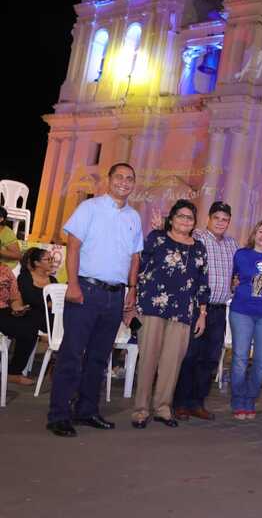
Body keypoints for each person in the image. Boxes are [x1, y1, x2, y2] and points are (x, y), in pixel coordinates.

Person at [47, 163, 143, 438]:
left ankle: (87, 410)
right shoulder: (89, 208)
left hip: (116, 295)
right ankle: (59, 415)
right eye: (119, 177)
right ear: (109, 180)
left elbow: (135, 257)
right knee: (72, 354)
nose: (124, 182)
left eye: (129, 178)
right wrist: (73, 284)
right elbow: (73, 246)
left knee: (100, 357)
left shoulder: (134, 217)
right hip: (86, 290)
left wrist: (132, 290)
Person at [131, 200, 209, 429]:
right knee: (148, 359)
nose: (185, 220)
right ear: (172, 219)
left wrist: (202, 313)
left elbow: (202, 282)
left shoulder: (199, 247)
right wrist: (133, 299)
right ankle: (141, 410)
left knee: (171, 363)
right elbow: (140, 267)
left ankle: (163, 408)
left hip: (183, 312)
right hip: (152, 307)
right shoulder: (157, 238)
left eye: (189, 218)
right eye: (181, 216)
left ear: (194, 223)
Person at [173, 201, 238, 421]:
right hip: (196, 308)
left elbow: (237, 273)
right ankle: (180, 403)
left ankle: (197, 403)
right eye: (216, 218)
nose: (220, 222)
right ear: (208, 218)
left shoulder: (232, 244)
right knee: (189, 355)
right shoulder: (197, 237)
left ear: (229, 222)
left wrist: (236, 282)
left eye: (225, 220)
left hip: (219, 310)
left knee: (210, 358)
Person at [230, 220, 262, 420]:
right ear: (254, 234)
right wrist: (234, 285)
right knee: (240, 358)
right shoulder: (241, 254)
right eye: (261, 231)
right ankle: (238, 400)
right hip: (242, 311)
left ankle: (250, 398)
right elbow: (232, 279)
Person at [0, 262, 37, 385]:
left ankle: (13, 372)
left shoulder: (5, 269)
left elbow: (15, 296)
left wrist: (17, 308)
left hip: (4, 309)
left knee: (30, 328)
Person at [17, 247, 58, 334]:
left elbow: (58, 299)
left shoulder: (53, 280)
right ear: (37, 263)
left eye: (52, 259)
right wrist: (48, 304)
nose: (51, 262)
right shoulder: (25, 277)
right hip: (31, 314)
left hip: (51, 315)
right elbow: (29, 298)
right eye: (48, 259)